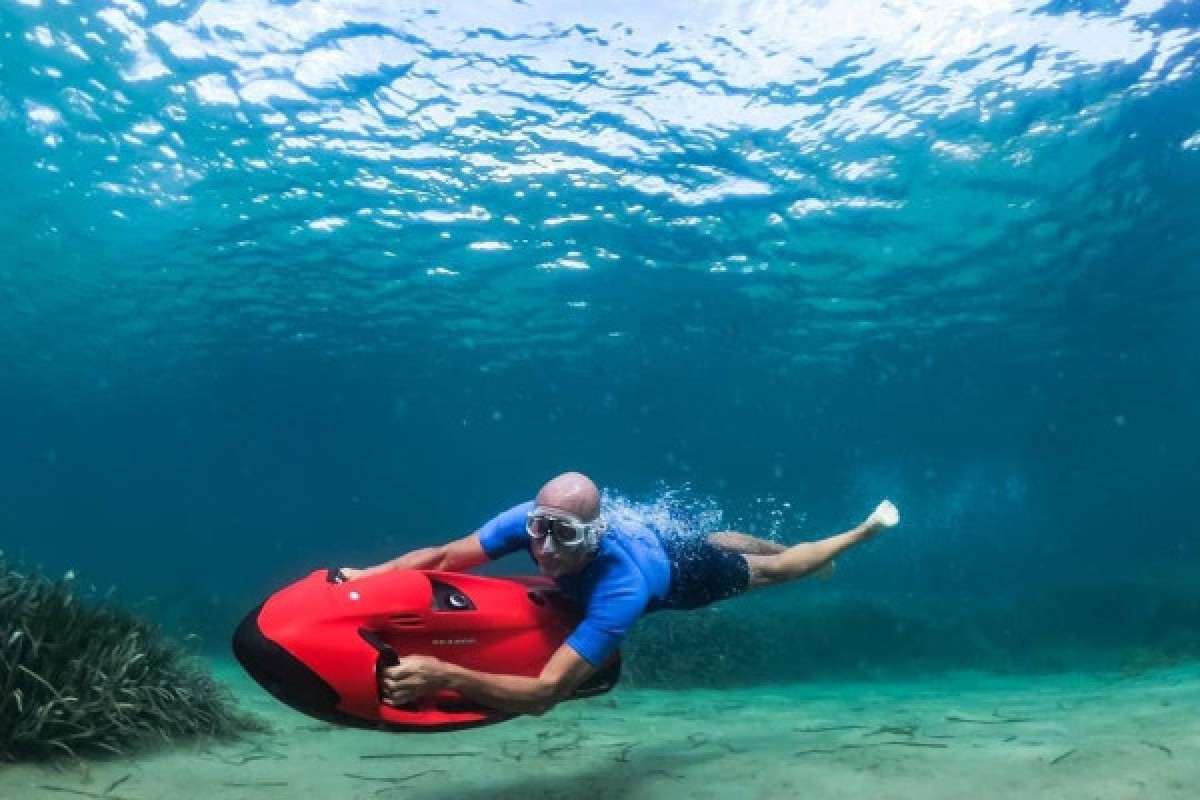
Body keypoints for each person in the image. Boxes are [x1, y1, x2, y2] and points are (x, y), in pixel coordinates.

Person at [340, 471, 899, 717]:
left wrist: (447, 675)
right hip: (652, 534)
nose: (548, 550)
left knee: (770, 570)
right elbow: (442, 556)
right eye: (541, 530)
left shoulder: (621, 590)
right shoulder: (533, 520)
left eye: (567, 537)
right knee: (715, 539)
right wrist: (370, 575)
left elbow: (545, 693)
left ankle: (856, 535)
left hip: (680, 574)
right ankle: (770, 543)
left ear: (594, 535)